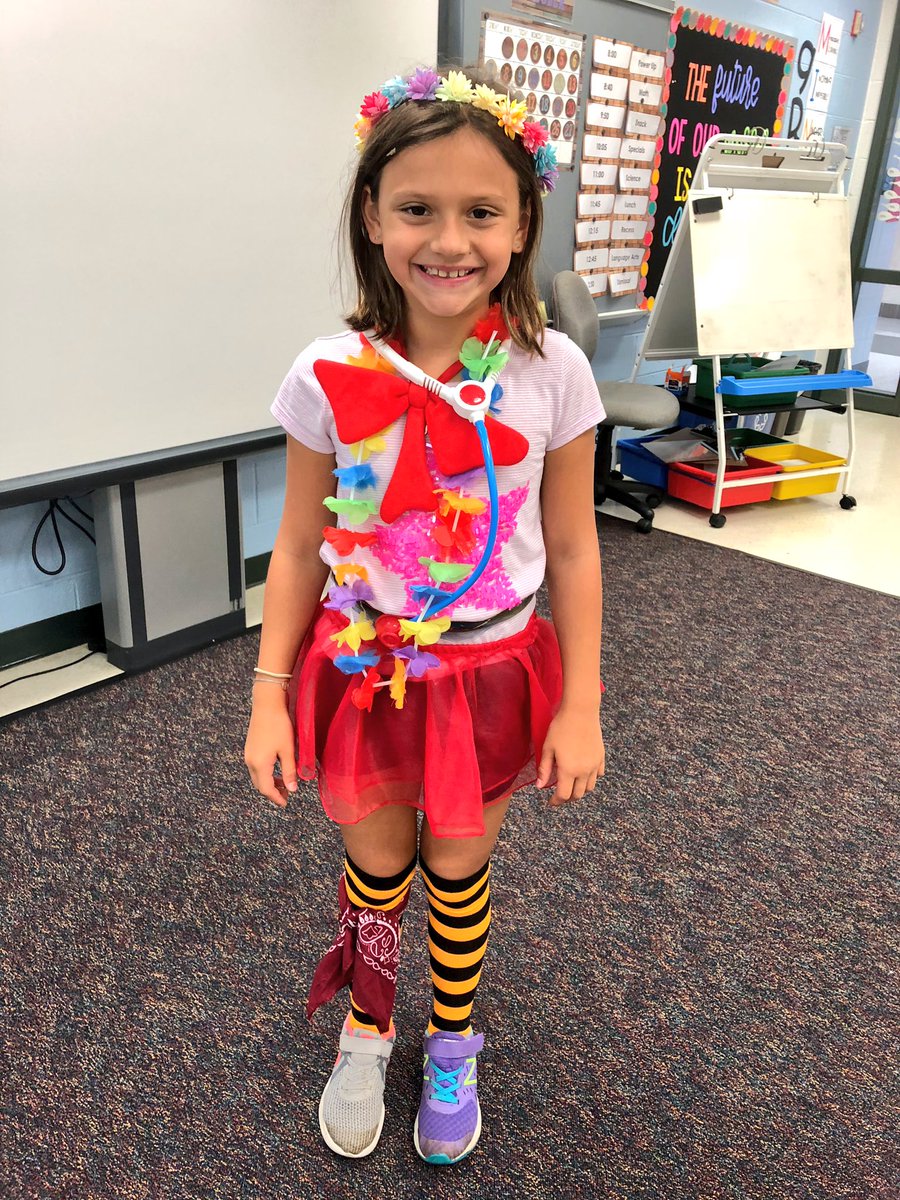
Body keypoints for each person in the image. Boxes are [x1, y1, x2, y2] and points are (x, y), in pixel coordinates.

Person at [244, 66, 605, 1166]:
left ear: (522, 222)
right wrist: (268, 694)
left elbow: (580, 546)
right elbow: (302, 544)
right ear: (372, 216)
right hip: (364, 670)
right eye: (417, 209)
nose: (448, 241)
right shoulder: (328, 372)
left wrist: (581, 701)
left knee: (458, 868)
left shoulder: (551, 372)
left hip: (493, 673)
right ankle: (368, 1022)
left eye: (481, 212)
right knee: (375, 866)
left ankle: (453, 1042)